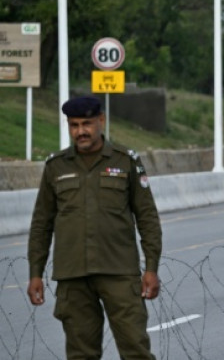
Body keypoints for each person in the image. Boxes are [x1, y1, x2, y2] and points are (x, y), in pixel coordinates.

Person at [27, 95, 162, 360]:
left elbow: (147, 218)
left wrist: (151, 268)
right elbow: (41, 224)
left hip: (119, 273)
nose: (81, 131)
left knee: (135, 350)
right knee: (80, 355)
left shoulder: (125, 161)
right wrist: (35, 273)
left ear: (101, 120)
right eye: (74, 125)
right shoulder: (56, 166)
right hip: (73, 275)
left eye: (86, 124)